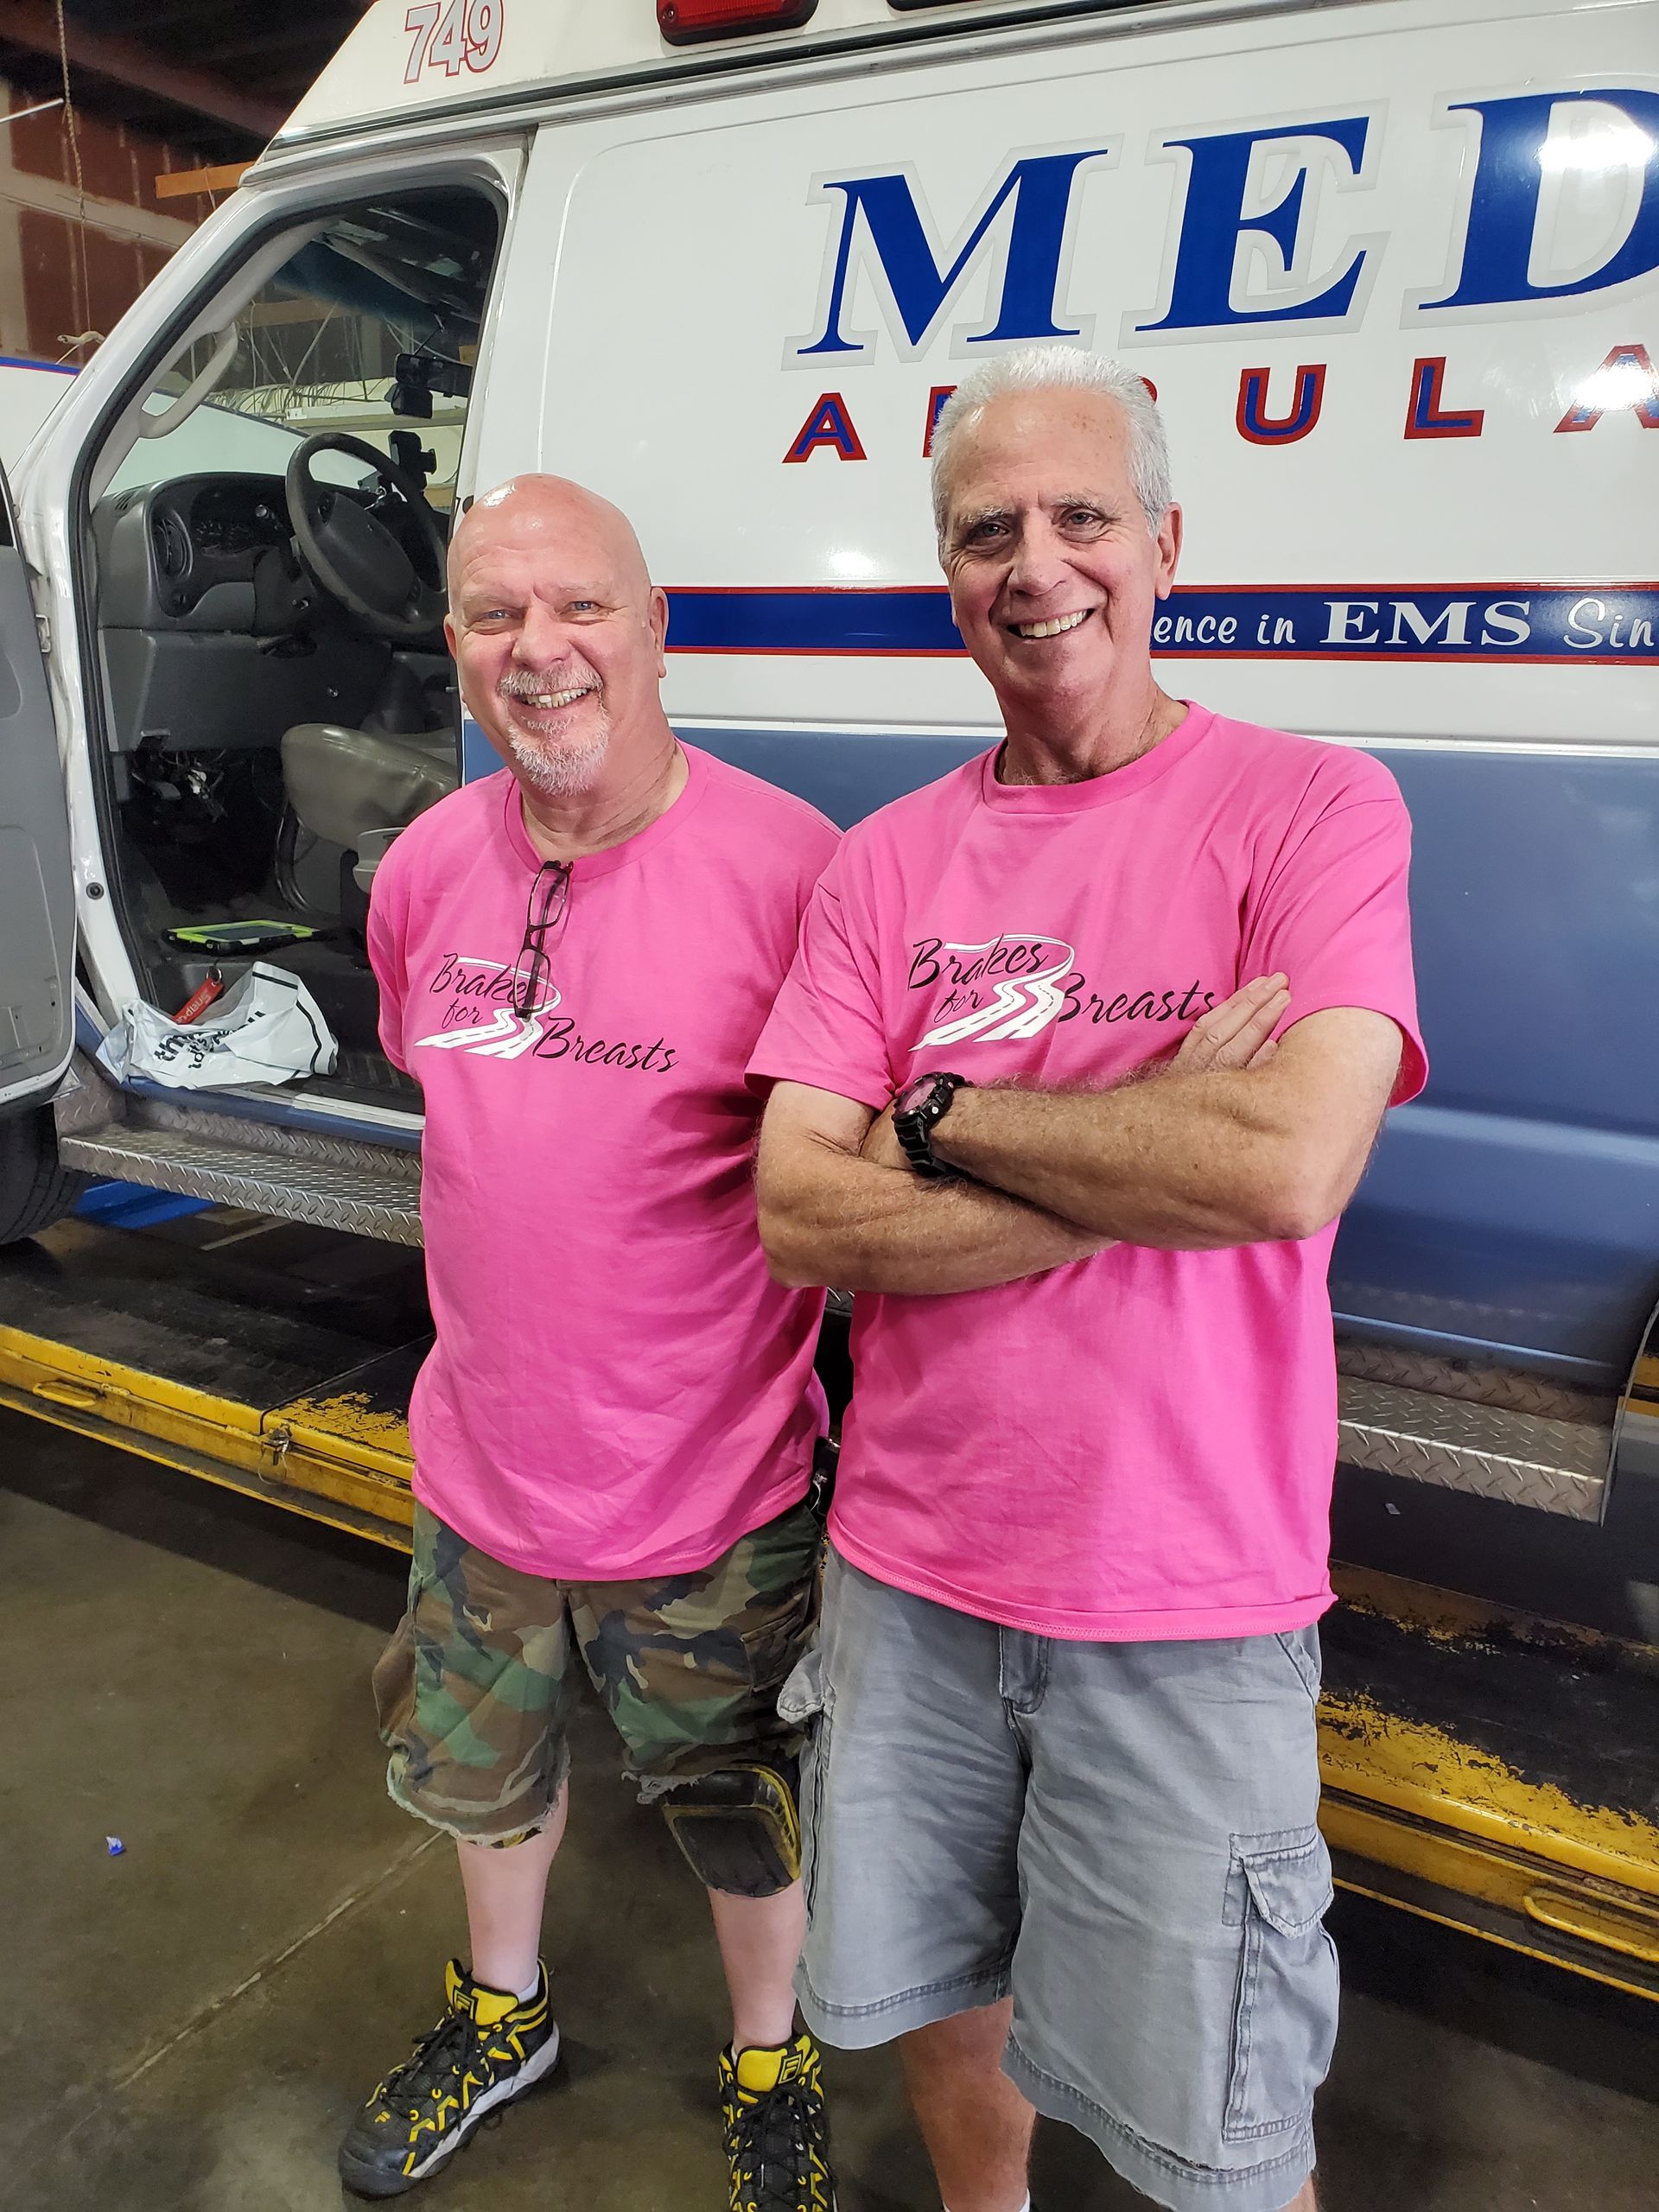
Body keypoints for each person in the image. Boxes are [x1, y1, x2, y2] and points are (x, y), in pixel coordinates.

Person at [749, 347, 1427, 2212]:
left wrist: (942, 1109)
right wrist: (1144, 1127)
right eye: (987, 531)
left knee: (1220, 2128)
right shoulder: (888, 863)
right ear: (946, 574)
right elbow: (803, 1212)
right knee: (940, 1998)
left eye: (1080, 517)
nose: (1036, 564)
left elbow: (1283, 1161)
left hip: (1184, 1597)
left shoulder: (1312, 808)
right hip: (905, 1574)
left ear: (1166, 543)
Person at [340, 474, 842, 2207]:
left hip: (711, 1485)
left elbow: (837, 1183)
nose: (539, 649)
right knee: (487, 1787)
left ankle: (770, 2053)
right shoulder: (422, 867)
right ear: (460, 645)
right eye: (494, 615)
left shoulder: (793, 873)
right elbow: (469, 1115)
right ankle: (505, 2012)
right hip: (481, 1463)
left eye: (582, 607)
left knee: (739, 1801)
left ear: (657, 624)